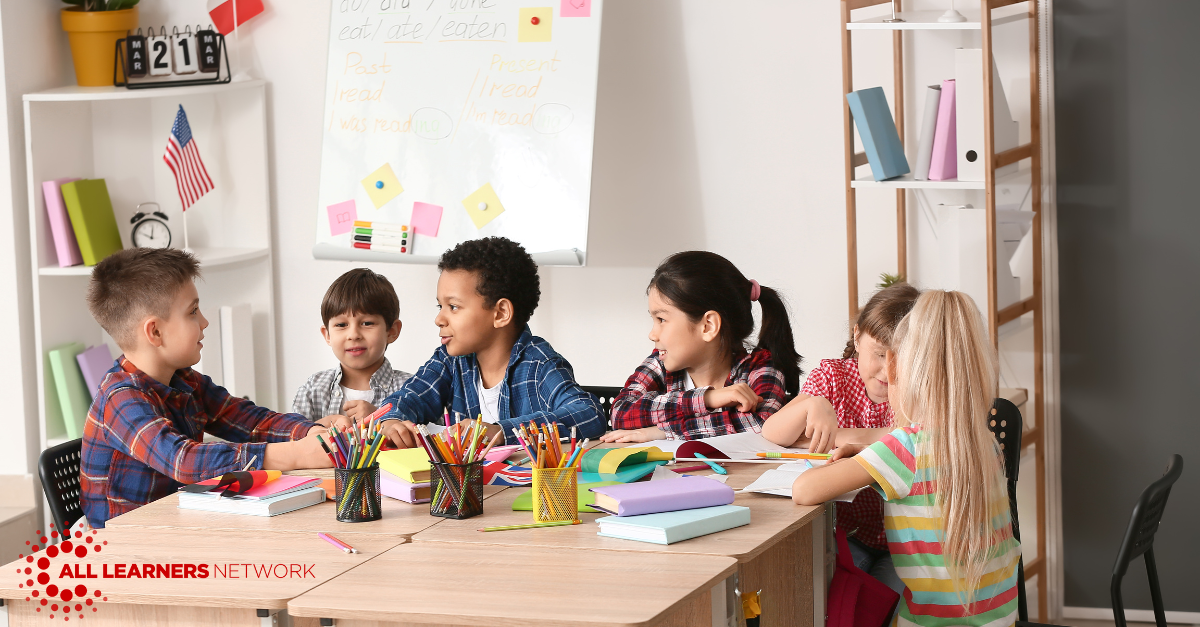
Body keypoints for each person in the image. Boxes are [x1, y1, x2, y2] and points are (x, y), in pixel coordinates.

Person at [793, 290, 1021, 627]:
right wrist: (875, 458)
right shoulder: (983, 442)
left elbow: (804, 490)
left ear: (898, 368)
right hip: (1001, 618)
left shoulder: (904, 449)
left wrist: (877, 458)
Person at [80, 248, 341, 528]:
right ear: (155, 332)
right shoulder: (120, 398)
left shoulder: (184, 379)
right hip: (122, 546)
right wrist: (297, 454)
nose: (204, 322)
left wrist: (311, 433)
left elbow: (249, 420)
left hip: (177, 522)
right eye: (193, 312)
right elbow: (184, 460)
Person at [761, 283, 920, 592]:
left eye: (902, 359)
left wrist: (835, 435)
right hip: (847, 535)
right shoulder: (833, 377)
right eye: (878, 354)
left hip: (905, 540)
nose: (888, 372)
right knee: (837, 599)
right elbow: (773, 434)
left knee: (887, 603)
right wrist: (813, 404)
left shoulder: (916, 391)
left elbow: (914, 438)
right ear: (856, 336)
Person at [376, 237, 606, 448]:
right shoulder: (449, 360)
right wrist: (391, 420)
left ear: (500, 313)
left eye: (453, 307)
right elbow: (409, 398)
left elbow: (589, 414)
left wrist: (500, 432)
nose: (439, 319)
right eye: (440, 306)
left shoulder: (539, 363)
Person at [603, 251, 801, 442]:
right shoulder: (659, 363)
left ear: (708, 326)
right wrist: (707, 398)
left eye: (661, 319)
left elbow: (765, 425)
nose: (652, 334)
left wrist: (663, 432)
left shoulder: (761, 368)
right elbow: (621, 413)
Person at [292, 268, 411, 422]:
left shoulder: (411, 390)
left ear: (392, 331)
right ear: (327, 335)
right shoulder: (312, 390)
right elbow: (294, 440)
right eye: (341, 324)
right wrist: (319, 427)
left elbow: (432, 439)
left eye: (367, 323)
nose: (354, 334)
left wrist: (382, 418)